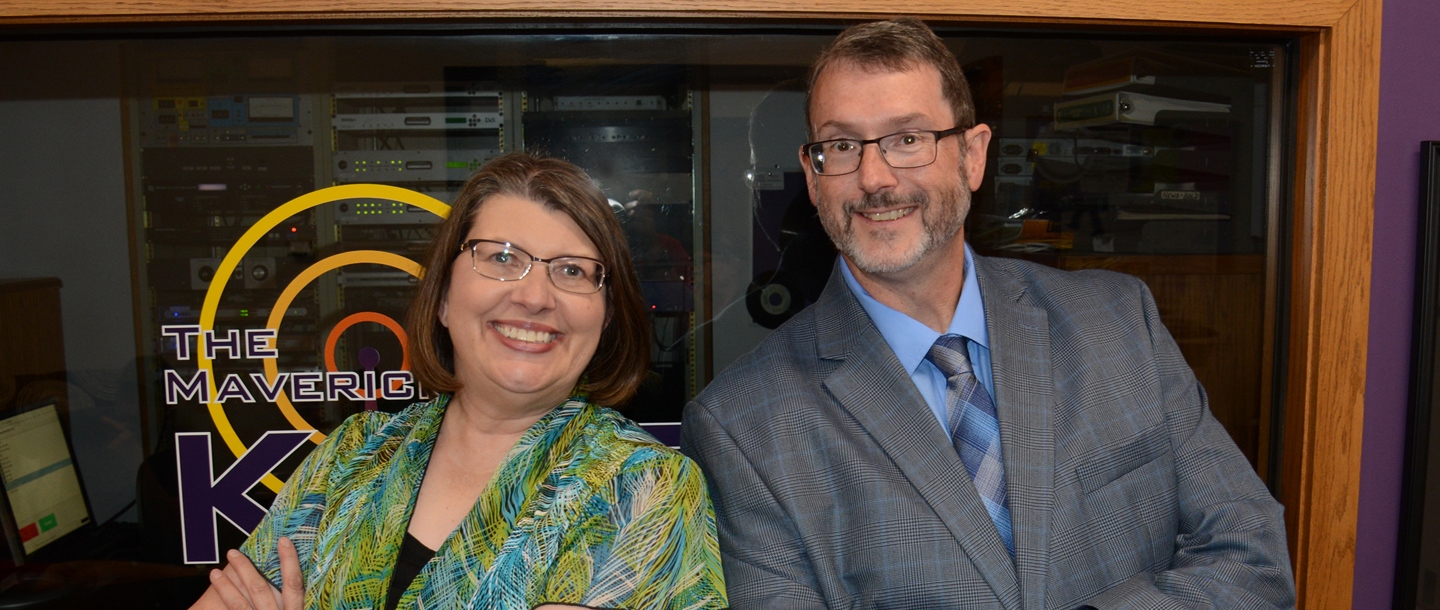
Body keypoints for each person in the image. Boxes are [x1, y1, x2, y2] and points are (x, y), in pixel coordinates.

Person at [681, 17, 1296, 610]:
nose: (874, 177)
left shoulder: (1118, 320)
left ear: (972, 158)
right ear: (815, 179)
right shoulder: (743, 424)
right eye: (842, 145)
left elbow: (1252, 558)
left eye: (907, 139)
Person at [192, 152, 728, 610]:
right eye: (500, 257)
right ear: (444, 297)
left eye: (572, 271)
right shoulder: (351, 459)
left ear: (606, 315)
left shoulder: (643, 487)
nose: (535, 296)